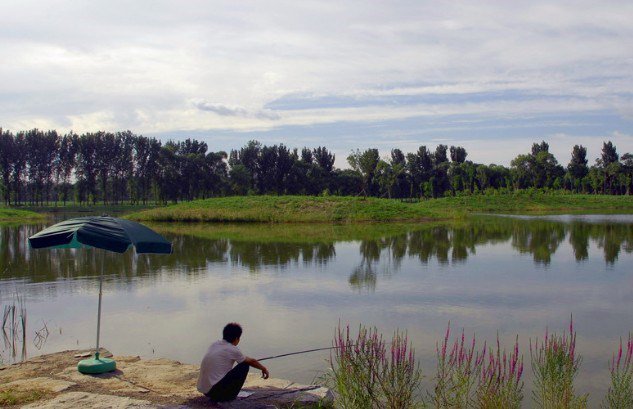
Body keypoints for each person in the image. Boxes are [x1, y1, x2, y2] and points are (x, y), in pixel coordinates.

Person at [197, 322, 270, 402]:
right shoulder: (232, 349)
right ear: (236, 339)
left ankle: (222, 394)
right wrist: (263, 368)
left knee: (243, 362)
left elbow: (245, 358)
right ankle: (230, 396)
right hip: (214, 392)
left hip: (204, 390)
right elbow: (251, 361)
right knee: (244, 365)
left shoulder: (215, 344)